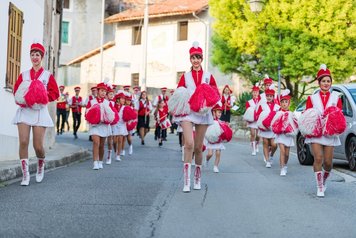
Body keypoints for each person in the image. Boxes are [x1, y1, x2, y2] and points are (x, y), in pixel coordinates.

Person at [12, 42, 59, 185]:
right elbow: (16, 92)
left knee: (38, 146)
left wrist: (42, 97)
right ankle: (25, 175)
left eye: (37, 55)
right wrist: (23, 99)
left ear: (42, 56)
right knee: (24, 141)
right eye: (32, 54)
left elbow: (55, 93)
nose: (35, 57)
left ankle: (40, 165)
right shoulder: (24, 74)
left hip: (39, 112)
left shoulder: (47, 76)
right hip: (25, 111)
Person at [175, 42, 219, 192]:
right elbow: (179, 93)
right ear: (190, 59)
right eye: (193, 57)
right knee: (189, 144)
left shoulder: (208, 76)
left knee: (199, 148)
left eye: (198, 57)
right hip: (188, 112)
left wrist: (208, 104)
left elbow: (215, 94)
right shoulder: (185, 77)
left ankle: (197, 178)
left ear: (201, 59)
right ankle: (186, 181)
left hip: (203, 113)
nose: (196, 60)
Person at [303, 64, 344, 197]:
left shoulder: (336, 98)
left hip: (330, 133)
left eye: (328, 81)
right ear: (319, 82)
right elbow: (307, 115)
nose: (326, 83)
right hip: (316, 133)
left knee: (328, 162)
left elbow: (339, 116)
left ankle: (324, 179)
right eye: (323, 81)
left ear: (331, 83)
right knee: (318, 158)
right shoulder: (311, 98)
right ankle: (319, 186)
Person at [85, 82, 117, 170]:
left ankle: (100, 161)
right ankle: (95, 162)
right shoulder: (91, 102)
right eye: (102, 91)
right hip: (94, 126)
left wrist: (108, 119)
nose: (103, 93)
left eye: (105, 91)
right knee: (96, 142)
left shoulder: (108, 103)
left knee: (102, 145)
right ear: (97, 91)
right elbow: (87, 114)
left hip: (104, 126)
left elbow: (112, 115)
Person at [271, 89, 298, 176]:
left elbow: (295, 124)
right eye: (282, 102)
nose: (284, 103)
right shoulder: (278, 113)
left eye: (286, 102)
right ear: (280, 104)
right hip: (280, 135)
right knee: (282, 151)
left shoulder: (291, 114)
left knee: (287, 154)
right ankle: (282, 168)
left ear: (289, 103)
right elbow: (273, 123)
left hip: (288, 136)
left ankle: (285, 165)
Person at [255, 85, 280, 168]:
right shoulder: (262, 106)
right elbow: (258, 115)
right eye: (267, 96)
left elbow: (279, 116)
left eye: (271, 96)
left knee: (274, 145)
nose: (269, 97)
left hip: (272, 128)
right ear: (265, 97)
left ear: (273, 97)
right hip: (264, 128)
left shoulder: (277, 107)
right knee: (265, 143)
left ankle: (271, 155)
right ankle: (267, 161)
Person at [205, 105, 226, 173]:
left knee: (218, 153)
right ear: (214, 112)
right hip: (211, 140)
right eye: (218, 112)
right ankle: (207, 159)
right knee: (210, 154)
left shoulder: (221, 122)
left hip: (218, 140)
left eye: (220, 112)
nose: (220, 114)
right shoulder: (210, 120)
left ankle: (215, 166)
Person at [244, 84, 261, 155]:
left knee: (258, 135)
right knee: (253, 134)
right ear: (252, 93)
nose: (255, 93)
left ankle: (256, 144)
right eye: (254, 92)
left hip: (258, 120)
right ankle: (253, 149)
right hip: (251, 120)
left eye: (256, 92)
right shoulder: (249, 102)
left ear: (258, 93)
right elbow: (247, 112)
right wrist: (247, 120)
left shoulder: (261, 101)